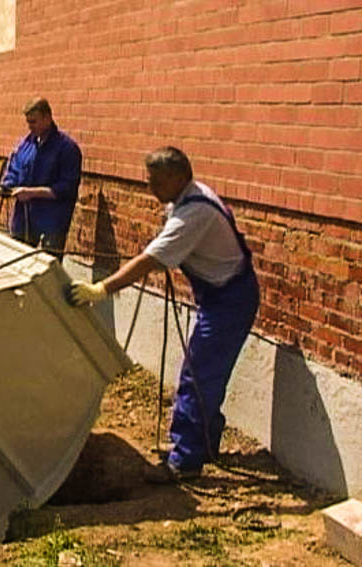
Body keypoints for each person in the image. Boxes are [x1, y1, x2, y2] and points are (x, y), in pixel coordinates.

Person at [69, 146, 259, 481]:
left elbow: (149, 260)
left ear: (179, 177)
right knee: (206, 373)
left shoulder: (193, 213)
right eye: (149, 181)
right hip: (223, 294)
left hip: (229, 300)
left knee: (197, 375)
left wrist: (102, 289)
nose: (150, 189)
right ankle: (205, 444)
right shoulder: (183, 199)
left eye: (156, 182)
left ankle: (185, 462)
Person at [0, 97, 82, 259]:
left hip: (51, 223)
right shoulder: (25, 145)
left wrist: (32, 193)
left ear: (47, 118)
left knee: (46, 272)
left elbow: (67, 188)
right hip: (23, 221)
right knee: (16, 263)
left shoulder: (67, 149)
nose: (30, 127)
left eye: (33, 122)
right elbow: (14, 174)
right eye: (28, 122)